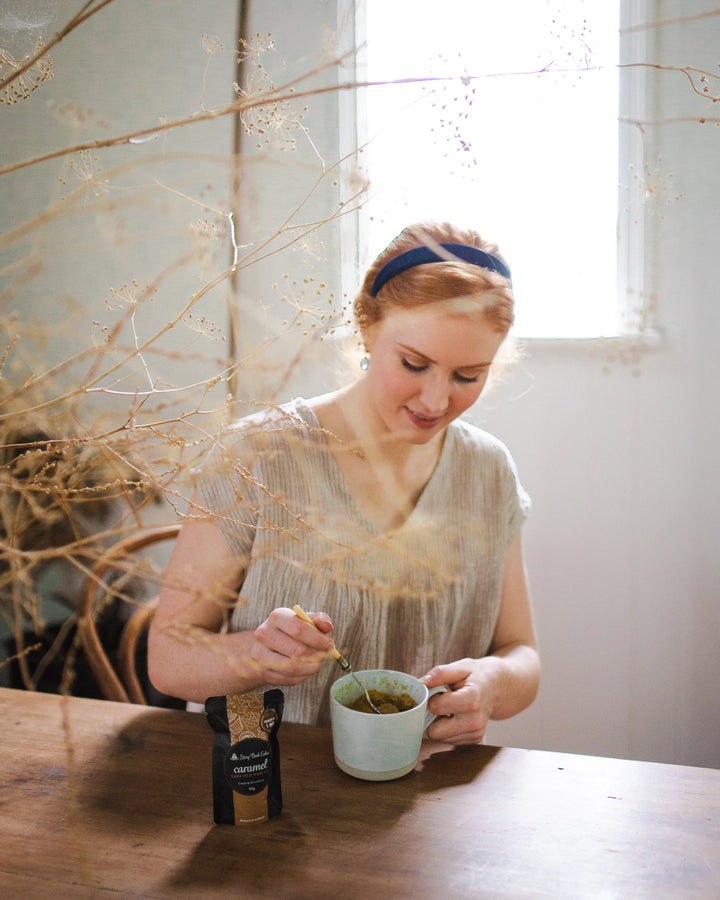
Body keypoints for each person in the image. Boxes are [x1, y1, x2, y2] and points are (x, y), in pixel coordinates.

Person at [148, 221, 540, 745]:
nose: (435, 401)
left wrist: (493, 685)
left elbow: (522, 653)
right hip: (270, 787)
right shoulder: (257, 456)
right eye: (414, 364)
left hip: (425, 794)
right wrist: (254, 656)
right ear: (367, 328)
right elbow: (167, 660)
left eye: (468, 376)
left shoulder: (488, 472)